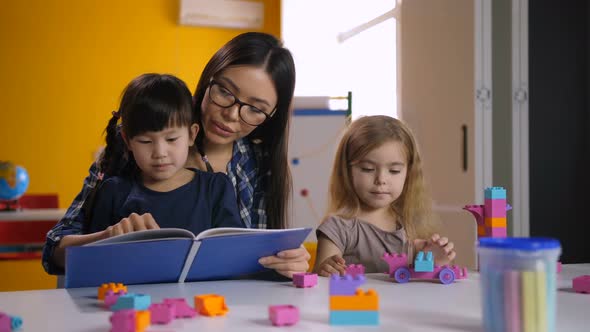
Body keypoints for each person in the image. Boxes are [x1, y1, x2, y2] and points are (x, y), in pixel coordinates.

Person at [43, 32, 310, 277]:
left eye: (255, 108)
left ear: (271, 116)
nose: (231, 114)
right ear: (209, 80)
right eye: (225, 92)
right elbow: (55, 251)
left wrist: (286, 263)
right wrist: (108, 238)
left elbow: (254, 263)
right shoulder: (134, 142)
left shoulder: (258, 165)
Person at [313, 115, 456, 276]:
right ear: (347, 171)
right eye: (367, 168)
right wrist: (327, 268)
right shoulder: (339, 227)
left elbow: (430, 282)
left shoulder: (410, 222)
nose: (381, 180)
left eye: (394, 171)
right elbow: (321, 280)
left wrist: (438, 261)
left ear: (409, 174)